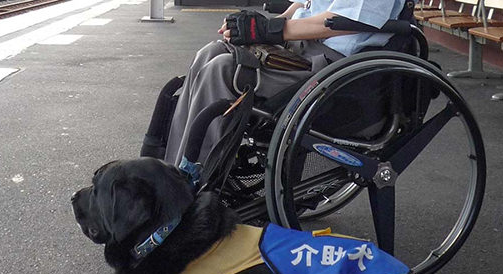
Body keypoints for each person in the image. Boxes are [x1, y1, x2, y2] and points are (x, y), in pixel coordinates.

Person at [159, 0, 407, 166]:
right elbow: (305, 6)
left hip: (336, 69)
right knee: (212, 52)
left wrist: (271, 29)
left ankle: (193, 189)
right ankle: (171, 170)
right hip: (300, 49)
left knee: (222, 69)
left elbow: (348, 20)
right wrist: (255, 28)